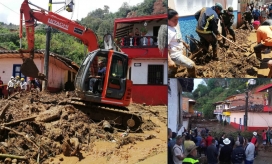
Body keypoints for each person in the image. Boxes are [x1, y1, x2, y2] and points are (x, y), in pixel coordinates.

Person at [168, 8, 196, 77]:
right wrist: (169, 61)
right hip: (175, 55)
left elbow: (178, 38)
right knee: (192, 65)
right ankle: (191, 77)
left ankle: (171, 74)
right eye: (175, 20)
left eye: (177, 19)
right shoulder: (167, 31)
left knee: (174, 69)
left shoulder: (174, 27)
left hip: (179, 52)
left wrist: (184, 43)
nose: (177, 22)